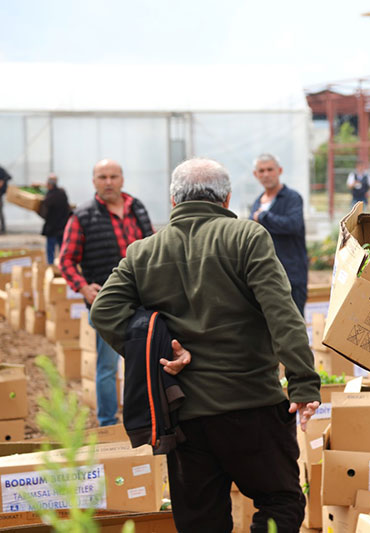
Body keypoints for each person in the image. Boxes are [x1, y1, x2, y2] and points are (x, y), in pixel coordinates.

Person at [90, 158, 321, 532]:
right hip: (253, 406)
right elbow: (283, 313)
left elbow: (104, 312)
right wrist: (303, 381)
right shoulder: (247, 237)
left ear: (173, 201)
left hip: (185, 417)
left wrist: (161, 354)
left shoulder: (143, 252)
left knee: (200, 520)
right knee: (281, 502)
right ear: (226, 198)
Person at [59, 159, 154, 426]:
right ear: (94, 182)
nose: (108, 182)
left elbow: (152, 246)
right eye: (102, 177)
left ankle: (148, 420)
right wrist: (83, 286)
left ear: (122, 179)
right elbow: (65, 260)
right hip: (107, 304)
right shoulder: (83, 216)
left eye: (113, 176)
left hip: (143, 299)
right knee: (107, 367)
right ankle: (108, 424)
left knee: (145, 363)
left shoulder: (137, 208)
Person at [250, 153, 309, 315]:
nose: (266, 174)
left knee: (294, 319)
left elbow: (293, 225)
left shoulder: (292, 198)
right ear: (256, 175)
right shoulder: (257, 202)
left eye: (270, 169)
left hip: (292, 273)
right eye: (261, 171)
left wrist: (263, 217)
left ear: (279, 170)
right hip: (266, 275)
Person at [37, 174, 72, 264]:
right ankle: (63, 265)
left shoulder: (50, 196)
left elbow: (44, 211)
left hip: (52, 227)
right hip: (62, 226)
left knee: (50, 249)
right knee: (63, 248)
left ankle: (51, 266)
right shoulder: (62, 193)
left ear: (50, 184)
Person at [0, 165, 11, 234]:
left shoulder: (1, 170)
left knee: (0, 212)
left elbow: (7, 177)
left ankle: (3, 229)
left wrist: (2, 181)